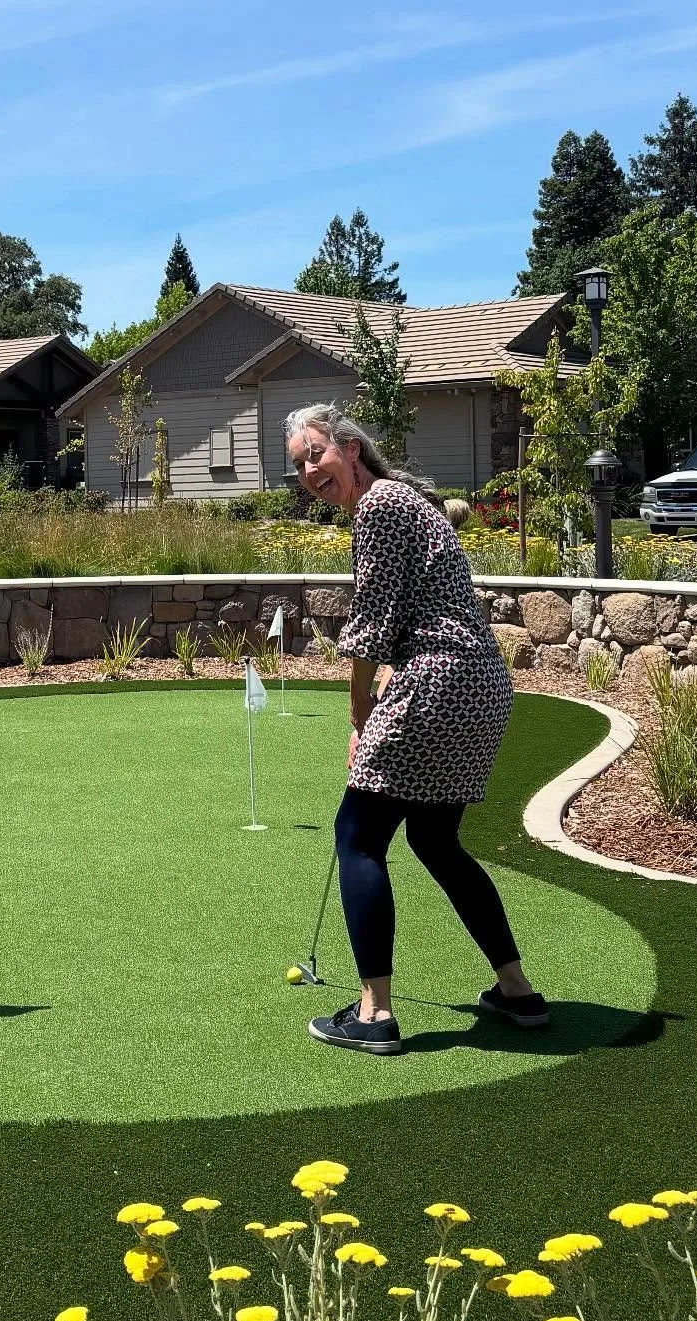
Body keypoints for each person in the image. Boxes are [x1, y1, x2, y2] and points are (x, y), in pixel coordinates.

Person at [283, 403, 547, 1055]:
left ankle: (373, 1013)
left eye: (314, 453)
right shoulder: (408, 502)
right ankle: (516, 990)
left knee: (358, 836)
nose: (309, 471)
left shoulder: (378, 506)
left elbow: (370, 622)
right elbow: (409, 613)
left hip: (441, 683)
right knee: (435, 840)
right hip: (480, 686)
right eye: (298, 464)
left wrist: (359, 718)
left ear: (348, 447)